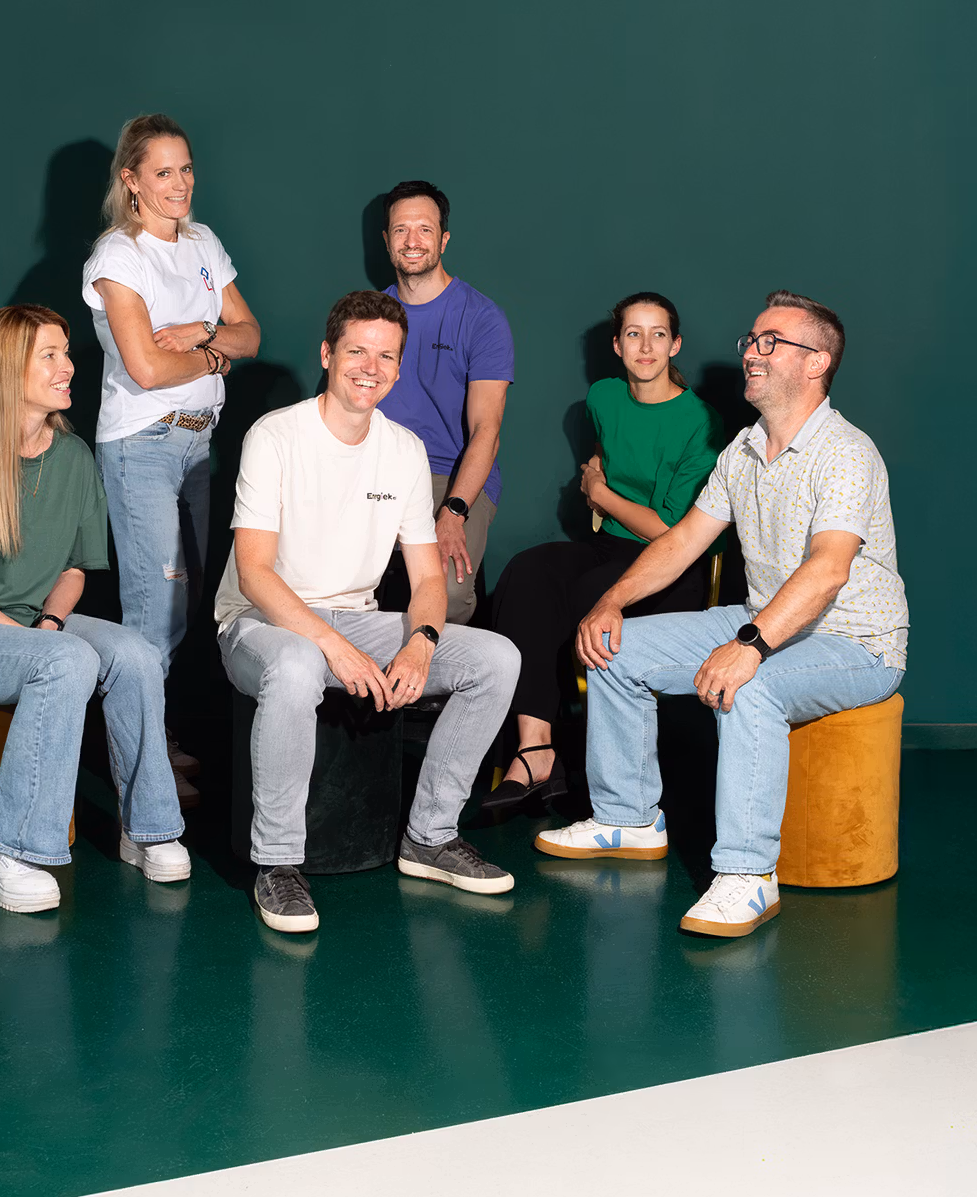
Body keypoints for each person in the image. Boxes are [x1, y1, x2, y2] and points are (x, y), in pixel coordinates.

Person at [536, 291, 908, 939]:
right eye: (752, 340)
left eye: (771, 343)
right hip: (765, 616)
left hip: (856, 641)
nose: (752, 353)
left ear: (816, 362)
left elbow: (828, 570)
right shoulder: (743, 448)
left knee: (750, 683)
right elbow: (683, 540)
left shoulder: (846, 452)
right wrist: (610, 601)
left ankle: (748, 876)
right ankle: (627, 816)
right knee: (617, 648)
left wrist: (751, 647)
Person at [215, 289, 520, 933]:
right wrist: (334, 647)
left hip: (354, 617)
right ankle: (277, 864)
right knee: (297, 666)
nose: (370, 367)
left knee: (496, 658)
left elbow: (428, 577)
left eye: (386, 356)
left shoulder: (404, 450)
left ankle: (430, 836)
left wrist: (421, 642)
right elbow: (255, 574)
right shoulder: (275, 435)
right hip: (261, 620)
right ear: (328, 355)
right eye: (357, 351)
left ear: (399, 368)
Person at [0, 305, 189, 914]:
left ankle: (147, 829)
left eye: (67, 352)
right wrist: (34, 641)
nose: (69, 367)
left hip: (37, 621)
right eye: (50, 356)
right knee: (64, 663)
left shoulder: (74, 456)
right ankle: (7, 851)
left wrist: (50, 625)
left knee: (136, 654)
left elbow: (74, 570)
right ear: (8, 370)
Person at [485, 292, 722, 811]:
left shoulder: (701, 422)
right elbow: (607, 451)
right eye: (634, 334)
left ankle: (597, 771)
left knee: (583, 596)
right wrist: (597, 471)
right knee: (527, 573)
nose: (646, 346)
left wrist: (600, 493)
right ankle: (535, 751)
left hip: (671, 566)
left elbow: (670, 529)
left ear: (675, 345)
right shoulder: (602, 396)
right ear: (617, 345)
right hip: (609, 545)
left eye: (658, 335)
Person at [82, 115, 261, 781]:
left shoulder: (203, 241)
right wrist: (215, 355)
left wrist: (202, 334)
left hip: (199, 445)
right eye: (163, 172)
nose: (180, 183)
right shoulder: (117, 257)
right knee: (152, 614)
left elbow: (251, 333)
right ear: (131, 180)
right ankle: (143, 776)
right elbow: (147, 368)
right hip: (143, 447)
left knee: (183, 611)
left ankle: (150, 739)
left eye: (186, 168)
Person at [377, 179, 514, 625]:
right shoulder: (370, 315)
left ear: (444, 239)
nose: (412, 241)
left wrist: (454, 511)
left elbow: (487, 431)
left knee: (447, 594)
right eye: (401, 230)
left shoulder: (481, 318)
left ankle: (436, 669)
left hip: (448, 476)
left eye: (425, 229)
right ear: (387, 240)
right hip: (377, 469)